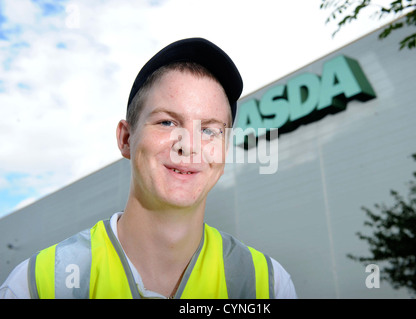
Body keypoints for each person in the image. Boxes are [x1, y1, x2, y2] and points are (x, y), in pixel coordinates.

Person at [0, 38, 297, 299]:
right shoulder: (36, 286)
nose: (189, 145)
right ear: (126, 139)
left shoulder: (268, 285)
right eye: (167, 122)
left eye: (209, 130)